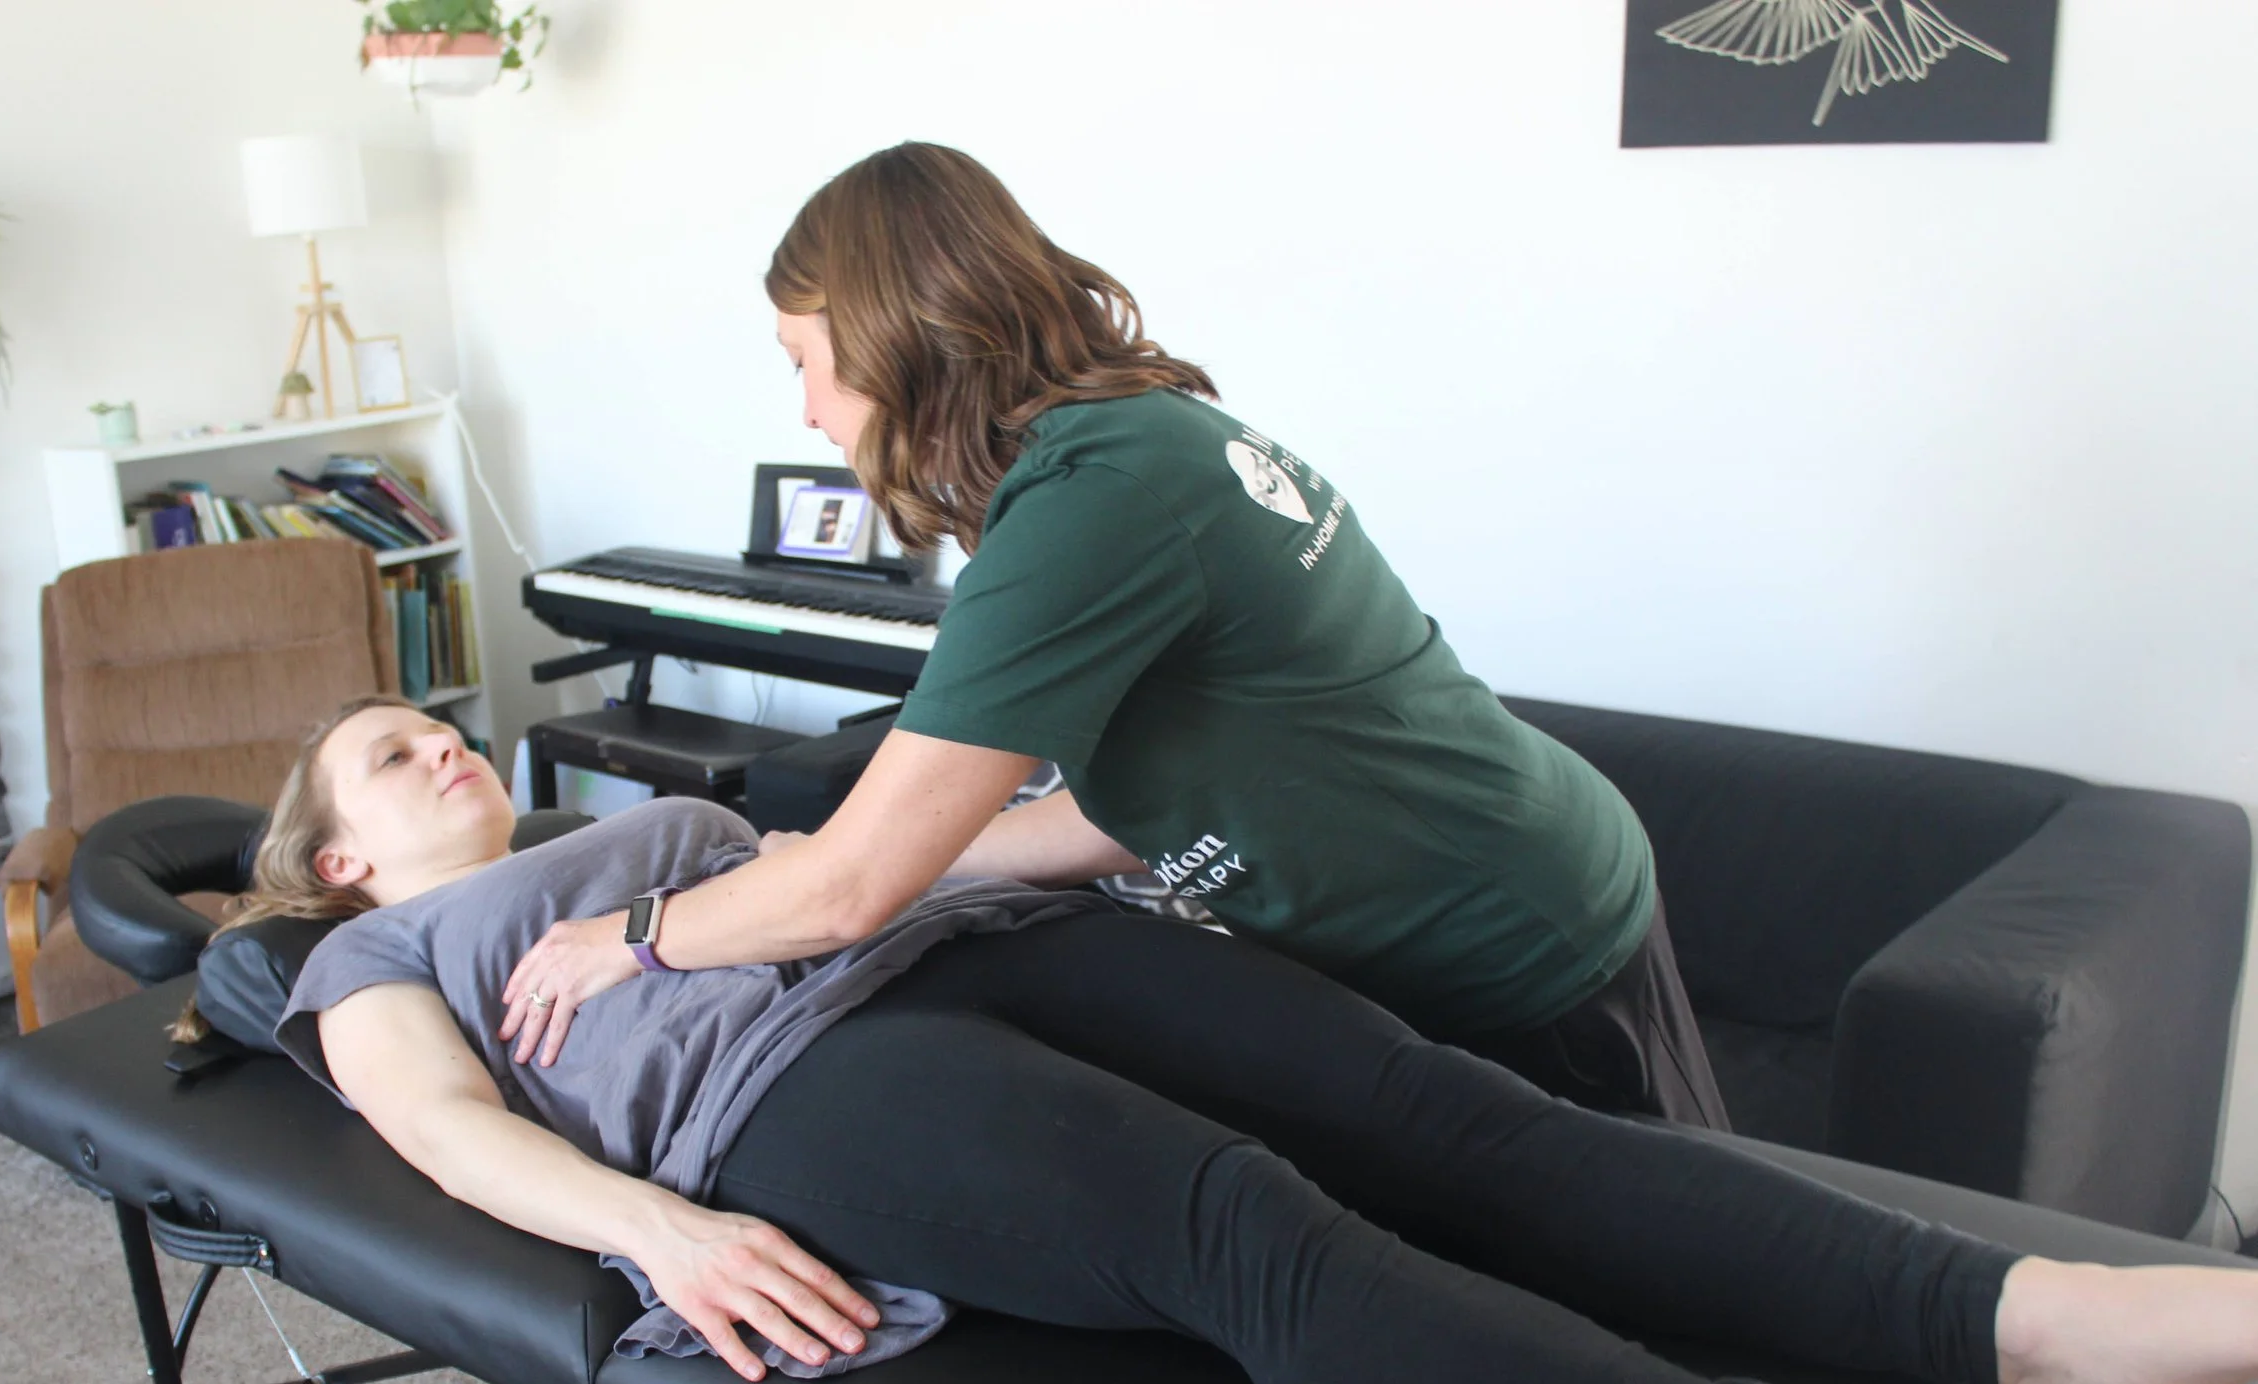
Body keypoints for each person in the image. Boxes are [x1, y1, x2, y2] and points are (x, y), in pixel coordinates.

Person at [246, 696, 2258, 1384]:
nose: (437, 743)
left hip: (983, 936)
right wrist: (663, 1231)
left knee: (1467, 1117)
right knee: (1247, 1228)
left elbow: (897, 854)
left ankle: (2031, 1311)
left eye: (436, 720)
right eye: (387, 754)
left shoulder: (658, 818)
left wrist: (1090, 825)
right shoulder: (375, 951)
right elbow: (438, 1130)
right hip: (798, 1087)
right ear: (339, 852)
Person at [493, 141, 1727, 1130]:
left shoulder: (1092, 503)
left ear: (893, 336)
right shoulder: (1125, 439)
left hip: (1514, 935)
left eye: (806, 364)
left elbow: (849, 894)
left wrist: (632, 935)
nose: (808, 412)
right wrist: (906, 850)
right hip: (1515, 880)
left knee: (1665, 1318)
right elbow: (1123, 804)